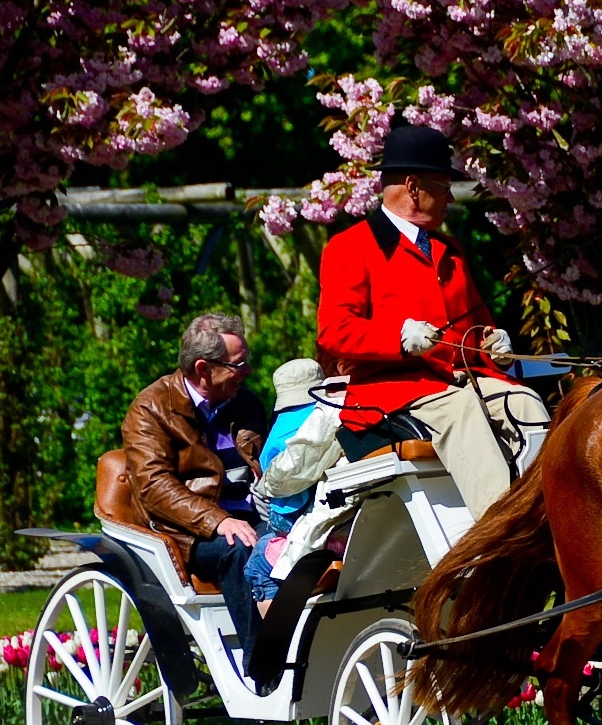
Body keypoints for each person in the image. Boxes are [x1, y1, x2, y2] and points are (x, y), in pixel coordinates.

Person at [317, 124, 550, 519]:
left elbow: (478, 327)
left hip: (461, 380)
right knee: (462, 411)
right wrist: (399, 339)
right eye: (444, 186)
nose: (449, 198)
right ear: (412, 186)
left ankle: (549, 522)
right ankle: (502, 538)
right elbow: (333, 332)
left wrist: (495, 344)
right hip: (392, 391)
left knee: (526, 405)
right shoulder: (351, 246)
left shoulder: (449, 249)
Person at [121, 313, 266, 657]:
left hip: (254, 518)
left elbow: (271, 462)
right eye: (238, 364)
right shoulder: (150, 409)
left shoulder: (247, 404)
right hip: (188, 534)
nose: (247, 372)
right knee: (237, 548)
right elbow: (154, 486)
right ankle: (263, 667)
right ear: (203, 369)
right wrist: (219, 521)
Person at [245, 358, 327, 615]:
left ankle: (278, 643)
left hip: (304, 523)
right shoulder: (332, 414)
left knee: (257, 564)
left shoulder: (281, 431)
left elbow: (272, 483)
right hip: (347, 515)